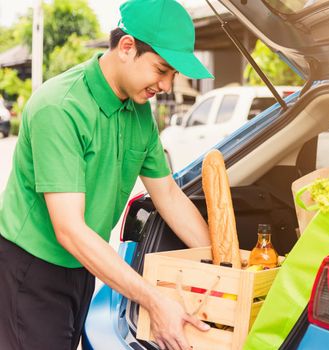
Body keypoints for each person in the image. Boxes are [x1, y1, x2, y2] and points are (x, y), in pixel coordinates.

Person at [0, 1, 214, 349]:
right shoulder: (60, 108)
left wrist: (221, 265)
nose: (167, 85)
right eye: (162, 70)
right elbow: (69, 229)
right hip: (32, 273)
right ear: (127, 47)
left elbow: (170, 196)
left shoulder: (139, 112)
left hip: (85, 267)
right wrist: (153, 300)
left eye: (173, 75)